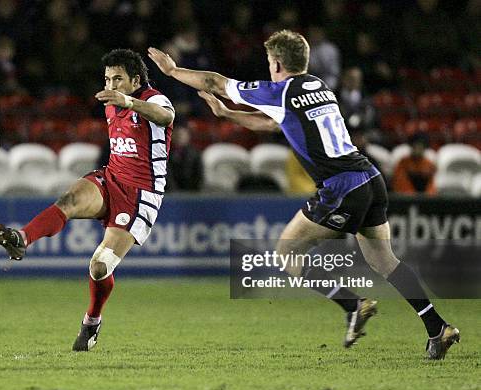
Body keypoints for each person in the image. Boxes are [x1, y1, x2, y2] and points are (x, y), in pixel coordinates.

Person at [148, 30, 459, 359]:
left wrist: (172, 72)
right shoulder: (318, 87)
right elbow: (273, 124)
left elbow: (214, 82)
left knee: (287, 252)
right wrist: (227, 115)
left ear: (278, 62)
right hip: (370, 177)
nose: (269, 68)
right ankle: (437, 328)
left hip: (341, 185)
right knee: (384, 260)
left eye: (270, 62)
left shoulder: (279, 91)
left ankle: (353, 304)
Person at [0, 49, 175, 351]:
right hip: (110, 179)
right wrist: (120, 100)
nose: (111, 85)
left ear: (136, 80)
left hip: (141, 194)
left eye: (118, 79)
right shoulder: (110, 104)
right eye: (107, 79)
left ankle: (92, 321)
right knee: (69, 199)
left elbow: (166, 116)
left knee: (100, 267)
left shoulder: (154, 99)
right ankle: (23, 237)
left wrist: (129, 102)